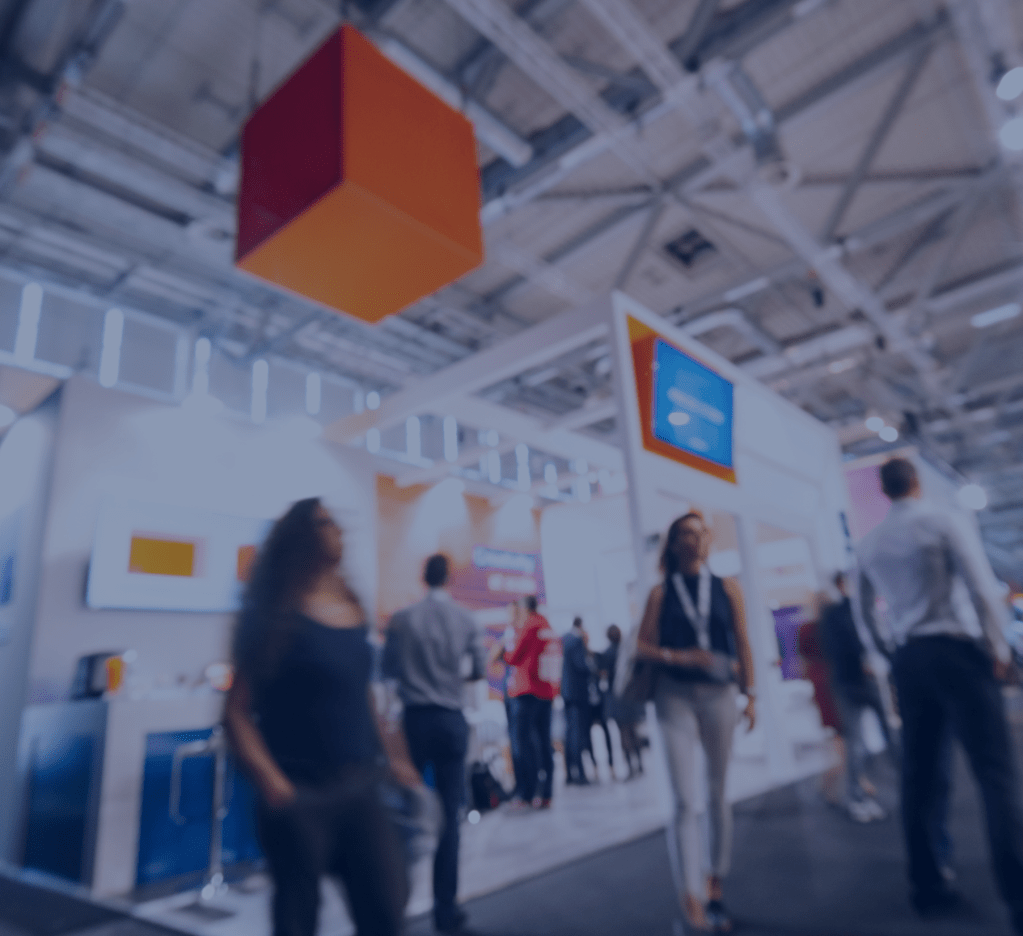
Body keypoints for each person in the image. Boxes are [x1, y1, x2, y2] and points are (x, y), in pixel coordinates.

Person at [224, 498, 414, 936]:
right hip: (300, 794)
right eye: (326, 522)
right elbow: (236, 713)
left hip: (360, 786)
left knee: (386, 915)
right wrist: (273, 784)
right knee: (297, 921)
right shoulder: (272, 614)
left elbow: (362, 693)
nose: (338, 530)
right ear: (301, 536)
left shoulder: (352, 606)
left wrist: (393, 756)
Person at [856, 457, 1023, 930]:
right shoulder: (943, 520)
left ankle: (927, 887)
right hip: (957, 653)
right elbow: (980, 586)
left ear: (885, 490)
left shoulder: (869, 543)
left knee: (920, 777)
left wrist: (890, 655)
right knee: (995, 775)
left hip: (910, 660)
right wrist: (998, 649)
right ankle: (1018, 897)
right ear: (916, 483)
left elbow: (863, 615)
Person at [636, 511, 756, 934]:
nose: (696, 538)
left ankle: (714, 881)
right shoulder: (660, 592)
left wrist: (751, 695)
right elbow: (642, 646)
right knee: (685, 800)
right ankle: (690, 897)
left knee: (718, 792)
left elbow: (743, 641)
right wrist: (679, 656)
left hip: (720, 694)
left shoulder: (727, 588)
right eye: (687, 533)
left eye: (702, 532)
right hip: (674, 697)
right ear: (673, 543)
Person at [382, 554, 486, 935]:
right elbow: (478, 669)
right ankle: (446, 912)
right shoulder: (466, 619)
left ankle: (393, 910)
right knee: (449, 818)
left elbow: (388, 671)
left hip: (414, 721)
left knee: (404, 816)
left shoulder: (402, 619)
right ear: (449, 578)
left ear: (423, 577)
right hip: (450, 719)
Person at [820, 572, 899, 822]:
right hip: (852, 682)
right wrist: (862, 662)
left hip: (870, 679)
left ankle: (910, 788)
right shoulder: (837, 613)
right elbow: (837, 648)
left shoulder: (862, 609)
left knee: (891, 737)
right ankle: (856, 798)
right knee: (856, 743)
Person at [502, 595, 560, 808]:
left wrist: (502, 653)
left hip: (526, 691)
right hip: (546, 691)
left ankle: (526, 794)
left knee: (523, 744)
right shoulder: (547, 626)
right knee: (544, 743)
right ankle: (546, 793)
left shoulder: (529, 626)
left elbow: (513, 657)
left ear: (524, 609)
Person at [796, 599, 851, 812]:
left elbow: (802, 662)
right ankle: (832, 785)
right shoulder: (819, 628)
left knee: (839, 736)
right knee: (841, 737)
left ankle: (837, 783)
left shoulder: (810, 628)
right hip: (831, 682)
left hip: (823, 681)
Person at [604, 625, 645, 779]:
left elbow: (604, 676)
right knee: (633, 731)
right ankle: (640, 764)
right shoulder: (628, 650)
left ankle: (630, 766)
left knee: (624, 733)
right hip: (630, 695)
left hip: (616, 698)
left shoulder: (607, 654)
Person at [561, 617, 592, 785]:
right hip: (578, 693)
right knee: (576, 734)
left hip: (566, 692)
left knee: (569, 733)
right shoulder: (577, 640)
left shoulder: (563, 638)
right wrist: (593, 668)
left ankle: (570, 773)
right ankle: (580, 773)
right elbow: (581, 665)